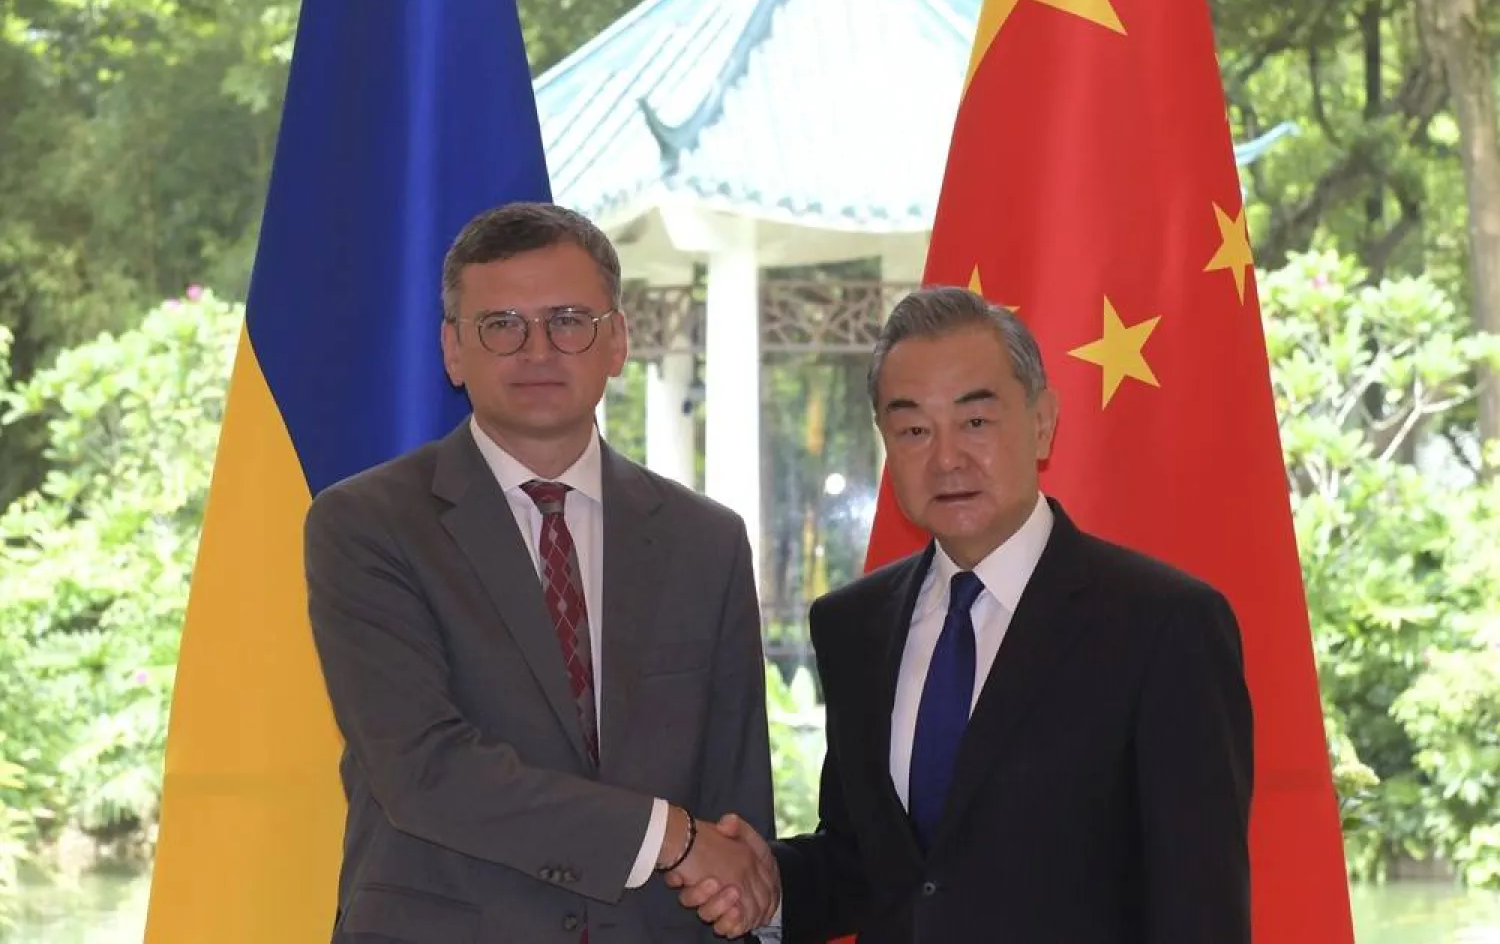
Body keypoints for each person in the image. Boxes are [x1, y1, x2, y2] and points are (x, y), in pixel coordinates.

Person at [678, 286, 1253, 943]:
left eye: (976, 421)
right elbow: (871, 865)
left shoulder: (1165, 625)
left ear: (1042, 422)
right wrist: (767, 883)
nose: (946, 457)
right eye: (914, 429)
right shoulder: (853, 625)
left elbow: (1199, 908)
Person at [305, 202, 777, 943]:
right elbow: (424, 769)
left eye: (568, 319)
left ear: (616, 341)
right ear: (453, 351)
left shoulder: (707, 541)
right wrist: (668, 835)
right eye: (501, 325)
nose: (537, 349)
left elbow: (736, 812)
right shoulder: (367, 525)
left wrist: (743, 887)